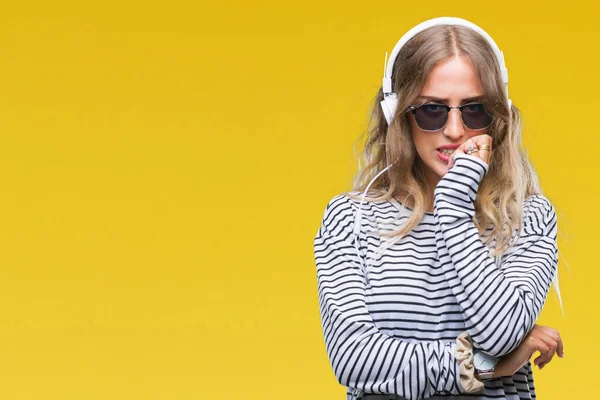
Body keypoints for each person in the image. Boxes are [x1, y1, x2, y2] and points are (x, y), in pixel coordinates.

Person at [313, 17, 564, 400]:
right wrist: (481, 365)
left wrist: (452, 208)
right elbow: (353, 358)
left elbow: (502, 333)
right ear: (399, 114)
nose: (454, 129)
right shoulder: (350, 219)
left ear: (497, 117)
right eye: (432, 110)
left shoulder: (528, 218)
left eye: (474, 110)